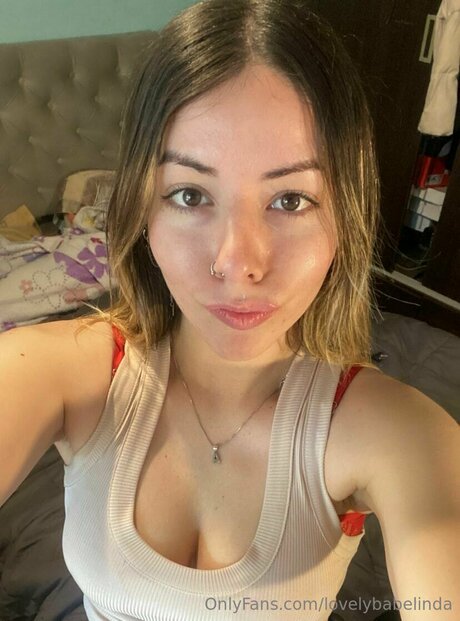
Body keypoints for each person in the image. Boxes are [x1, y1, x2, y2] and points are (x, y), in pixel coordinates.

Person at [1, 1, 458, 619]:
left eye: (291, 200)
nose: (238, 262)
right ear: (141, 208)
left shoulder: (401, 432)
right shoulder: (58, 371)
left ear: (344, 215)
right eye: (190, 195)